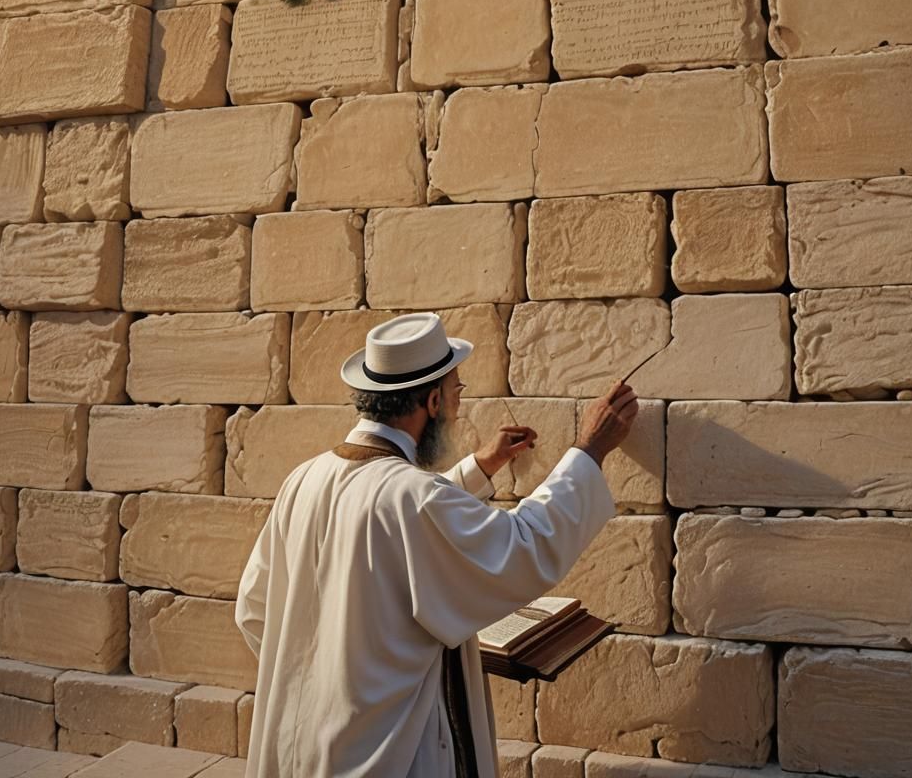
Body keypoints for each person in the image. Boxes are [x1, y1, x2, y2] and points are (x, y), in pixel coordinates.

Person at [235, 312, 639, 778]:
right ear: (431, 401)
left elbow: (255, 608)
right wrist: (589, 451)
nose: (458, 406)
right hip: (390, 752)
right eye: (456, 392)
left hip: (302, 744)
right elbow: (522, 546)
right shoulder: (414, 498)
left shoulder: (304, 478)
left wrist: (328, 664)